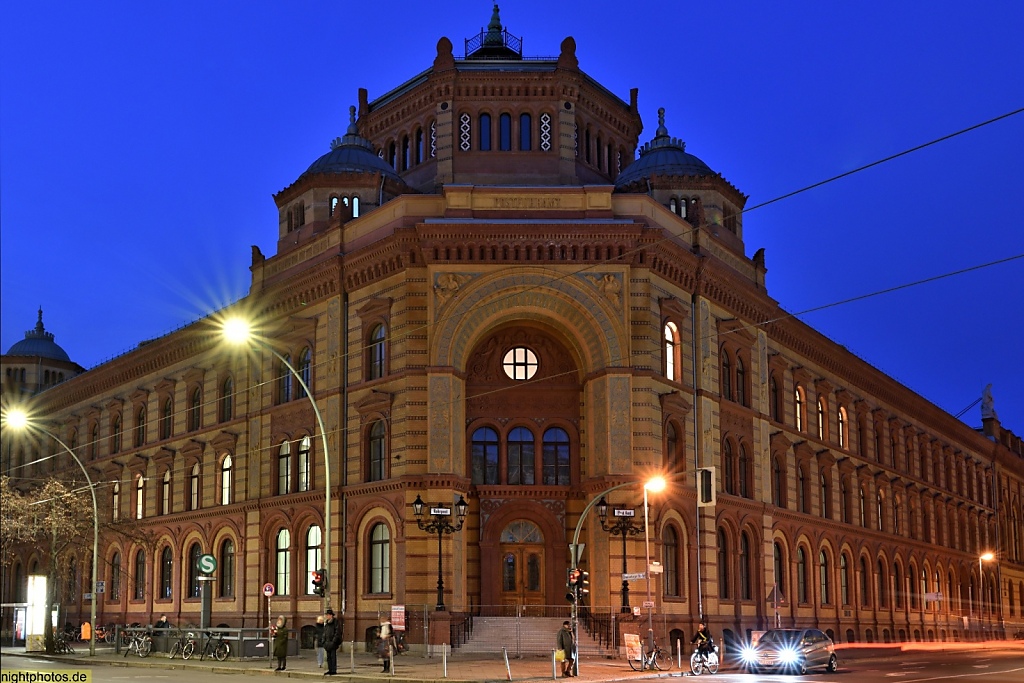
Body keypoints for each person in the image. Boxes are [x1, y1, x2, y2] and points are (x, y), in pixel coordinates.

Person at [322, 608, 341, 676]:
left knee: (333, 657)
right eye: (326, 615)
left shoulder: (335, 622)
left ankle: (333, 670)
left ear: (331, 615)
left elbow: (337, 632)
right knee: (328, 657)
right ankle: (330, 670)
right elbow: (324, 633)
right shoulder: (327, 623)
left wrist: (334, 641)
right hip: (327, 643)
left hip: (332, 643)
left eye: (328, 615)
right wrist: (323, 641)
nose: (327, 616)